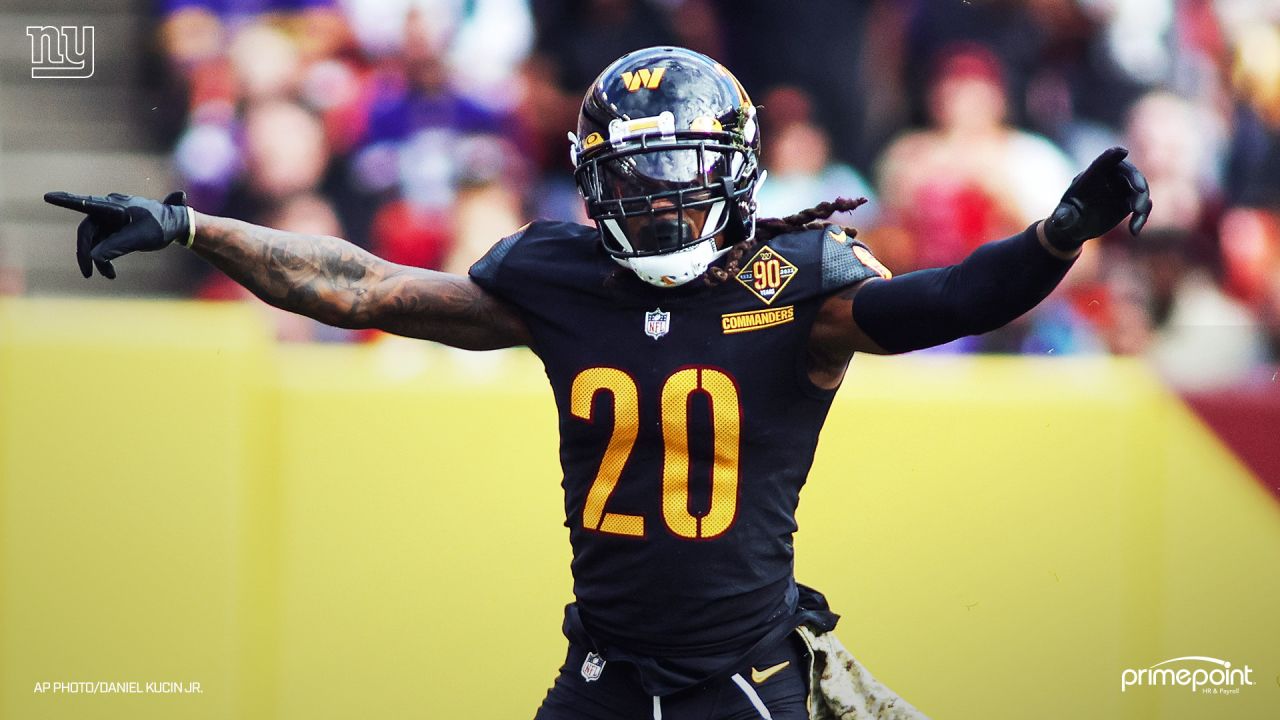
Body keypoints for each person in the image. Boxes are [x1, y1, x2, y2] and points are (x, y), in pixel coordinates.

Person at [44, 46, 1149, 720]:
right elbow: (363, 288)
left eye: (683, 178)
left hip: (744, 688)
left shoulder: (797, 282)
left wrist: (1057, 231)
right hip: (604, 682)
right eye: (638, 180)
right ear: (591, 184)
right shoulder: (556, 278)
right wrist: (195, 221)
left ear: (736, 175)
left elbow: (948, 302)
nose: (663, 204)